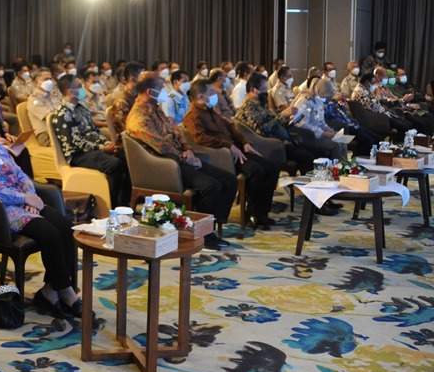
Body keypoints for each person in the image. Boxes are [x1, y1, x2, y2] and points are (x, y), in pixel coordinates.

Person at [0, 102, 81, 317]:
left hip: (21, 202)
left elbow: (20, 174)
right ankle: (66, 291)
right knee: (50, 235)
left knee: (66, 227)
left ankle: (50, 290)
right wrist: (24, 198)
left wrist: (28, 197)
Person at [126, 73, 238, 249]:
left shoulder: (155, 108)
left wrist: (188, 149)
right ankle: (203, 235)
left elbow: (176, 131)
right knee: (210, 186)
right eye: (161, 88)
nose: (165, 92)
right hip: (164, 165)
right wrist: (184, 157)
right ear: (150, 91)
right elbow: (159, 146)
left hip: (181, 158)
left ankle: (212, 225)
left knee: (229, 180)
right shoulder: (138, 116)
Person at [183, 80, 279, 230]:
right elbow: (200, 138)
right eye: (211, 93)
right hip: (223, 155)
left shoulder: (211, 110)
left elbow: (231, 128)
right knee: (256, 170)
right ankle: (251, 213)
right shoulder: (192, 116)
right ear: (200, 96)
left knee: (271, 168)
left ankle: (262, 212)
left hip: (236, 149)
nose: (216, 95)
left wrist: (244, 141)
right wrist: (228, 146)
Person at [49, 75, 128, 207]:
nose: (82, 89)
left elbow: (94, 132)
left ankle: (125, 202)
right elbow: (76, 143)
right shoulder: (63, 114)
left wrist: (106, 143)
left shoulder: (82, 108)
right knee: (114, 164)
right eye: (79, 87)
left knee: (125, 155)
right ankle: (111, 204)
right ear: (69, 91)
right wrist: (102, 149)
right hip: (78, 155)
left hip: (92, 150)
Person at [235, 73, 327, 176]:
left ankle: (319, 183)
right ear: (253, 90)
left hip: (284, 140)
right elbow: (262, 130)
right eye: (264, 89)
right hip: (274, 145)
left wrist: (291, 118)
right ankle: (310, 187)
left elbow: (272, 121)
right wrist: (282, 115)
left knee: (320, 152)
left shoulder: (260, 104)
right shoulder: (249, 109)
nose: (266, 92)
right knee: (308, 157)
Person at [107, 61, 145, 143]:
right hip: (130, 144)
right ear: (133, 79)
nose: (146, 81)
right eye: (143, 77)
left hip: (142, 137)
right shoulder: (122, 102)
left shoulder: (139, 96)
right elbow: (129, 131)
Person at [27, 67, 62, 146]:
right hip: (47, 135)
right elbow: (51, 118)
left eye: (50, 79)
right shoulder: (34, 99)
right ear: (36, 82)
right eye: (46, 79)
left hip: (58, 130)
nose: (49, 82)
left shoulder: (53, 94)